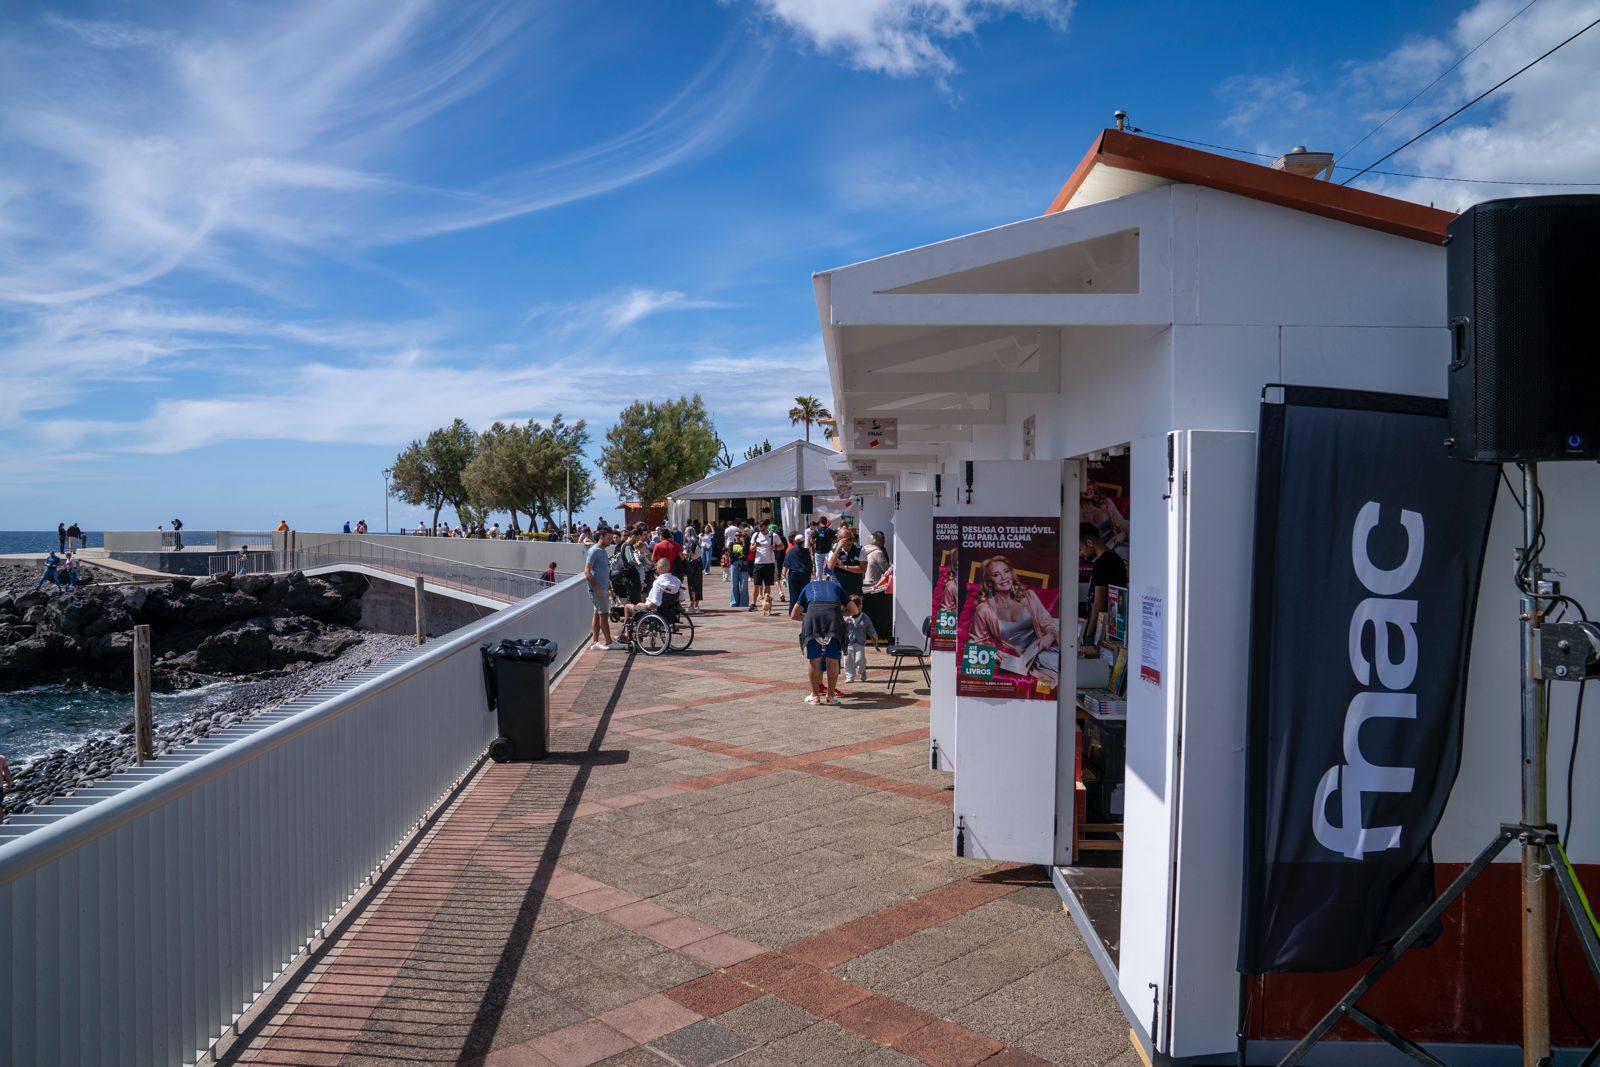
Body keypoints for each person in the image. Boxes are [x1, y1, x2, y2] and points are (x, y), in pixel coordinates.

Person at [792, 567, 846, 705]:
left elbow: (794, 614)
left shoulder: (809, 587)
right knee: (833, 659)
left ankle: (815, 696)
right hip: (833, 620)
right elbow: (854, 609)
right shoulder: (837, 586)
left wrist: (809, 617)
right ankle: (831, 696)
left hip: (813, 620)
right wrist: (837, 614)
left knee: (814, 658)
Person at [1079, 524, 1128, 649]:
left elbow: (1099, 602)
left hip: (1103, 631)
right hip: (1112, 628)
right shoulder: (1113, 559)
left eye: (1081, 549)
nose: (1081, 554)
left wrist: (1088, 634)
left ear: (1089, 543)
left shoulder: (1103, 563)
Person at [586, 529, 621, 650]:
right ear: (602, 537)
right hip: (598, 589)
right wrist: (597, 588)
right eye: (609, 538)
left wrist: (608, 588)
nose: (611, 541)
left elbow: (604, 571)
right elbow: (587, 571)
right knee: (604, 615)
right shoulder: (594, 551)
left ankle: (595, 642)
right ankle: (609, 642)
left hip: (603, 588)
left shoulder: (603, 550)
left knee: (597, 614)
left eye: (611, 538)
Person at [861, 530, 892, 644]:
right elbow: (886, 569)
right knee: (878, 613)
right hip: (874, 586)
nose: (884, 542)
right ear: (879, 541)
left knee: (867, 611)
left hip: (864, 584)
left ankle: (866, 635)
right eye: (883, 540)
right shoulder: (878, 552)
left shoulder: (864, 550)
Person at [841, 595, 877, 685]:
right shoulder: (846, 617)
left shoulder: (864, 617)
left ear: (860, 607)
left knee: (859, 660)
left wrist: (873, 635)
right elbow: (840, 628)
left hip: (860, 643)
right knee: (848, 660)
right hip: (848, 643)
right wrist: (844, 622)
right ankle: (849, 676)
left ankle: (862, 670)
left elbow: (870, 629)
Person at [828, 524, 866, 600]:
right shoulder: (834, 550)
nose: (850, 542)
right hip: (838, 590)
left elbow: (863, 569)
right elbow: (830, 566)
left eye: (851, 539)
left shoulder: (860, 549)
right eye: (846, 540)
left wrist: (843, 566)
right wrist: (838, 548)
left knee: (856, 608)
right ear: (839, 540)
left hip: (855, 591)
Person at [750, 523, 779, 611]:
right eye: (759, 528)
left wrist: (775, 548)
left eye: (762, 528)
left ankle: (766, 604)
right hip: (758, 563)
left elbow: (782, 546)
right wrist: (755, 546)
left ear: (767, 527)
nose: (761, 530)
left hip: (769, 563)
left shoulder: (773, 535)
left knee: (767, 585)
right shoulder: (756, 535)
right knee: (756, 585)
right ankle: (753, 604)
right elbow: (751, 549)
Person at [782, 533, 811, 607]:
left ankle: (792, 610)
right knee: (804, 594)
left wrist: (784, 575)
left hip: (793, 574)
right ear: (803, 542)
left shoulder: (790, 551)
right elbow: (809, 563)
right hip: (804, 574)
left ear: (795, 541)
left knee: (793, 595)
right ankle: (803, 609)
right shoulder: (806, 551)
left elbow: (786, 564)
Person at [682, 531, 704, 608]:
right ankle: (696, 603)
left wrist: (682, 553)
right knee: (697, 585)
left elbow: (691, 552)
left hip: (693, 565)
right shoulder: (695, 541)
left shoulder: (691, 542)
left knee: (692, 584)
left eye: (685, 532)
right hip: (697, 565)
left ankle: (693, 603)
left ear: (688, 533)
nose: (684, 534)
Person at [728, 537, 750, 608]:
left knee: (744, 584)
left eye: (739, 535)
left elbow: (746, 553)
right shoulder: (731, 544)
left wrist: (744, 543)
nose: (738, 537)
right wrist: (738, 555)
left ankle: (744, 603)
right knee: (734, 584)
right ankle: (734, 602)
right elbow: (730, 554)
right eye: (736, 535)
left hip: (743, 564)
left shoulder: (745, 544)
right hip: (734, 564)